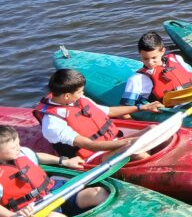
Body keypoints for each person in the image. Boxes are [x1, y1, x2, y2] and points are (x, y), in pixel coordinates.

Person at [32, 69, 160, 161]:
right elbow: (90, 145)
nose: (82, 94)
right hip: (93, 156)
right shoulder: (53, 124)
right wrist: (129, 142)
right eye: (80, 91)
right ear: (67, 96)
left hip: (112, 141)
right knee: (139, 153)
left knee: (153, 129)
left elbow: (108, 111)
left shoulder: (78, 99)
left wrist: (142, 107)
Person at [0, 125, 108, 217]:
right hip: (32, 207)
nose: (19, 148)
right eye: (13, 148)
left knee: (98, 192)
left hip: (54, 191)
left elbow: (37, 156)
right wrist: (12, 216)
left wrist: (63, 161)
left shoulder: (22, 152)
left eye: (18, 143)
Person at [121, 32, 192, 106]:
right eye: (145, 58)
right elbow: (126, 108)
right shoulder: (137, 79)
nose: (150, 62)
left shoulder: (176, 59)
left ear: (162, 51)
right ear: (140, 54)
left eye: (154, 58)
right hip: (173, 108)